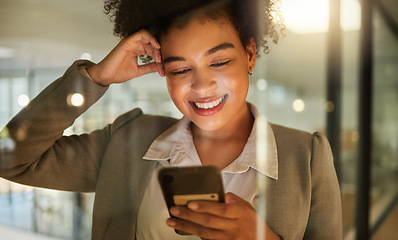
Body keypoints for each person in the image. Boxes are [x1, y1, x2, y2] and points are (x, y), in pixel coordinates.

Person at [0, 0, 342, 239]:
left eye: (219, 62)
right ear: (163, 71)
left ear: (250, 54)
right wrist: (95, 78)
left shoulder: (307, 157)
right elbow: (10, 158)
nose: (202, 86)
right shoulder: (127, 141)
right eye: (180, 69)